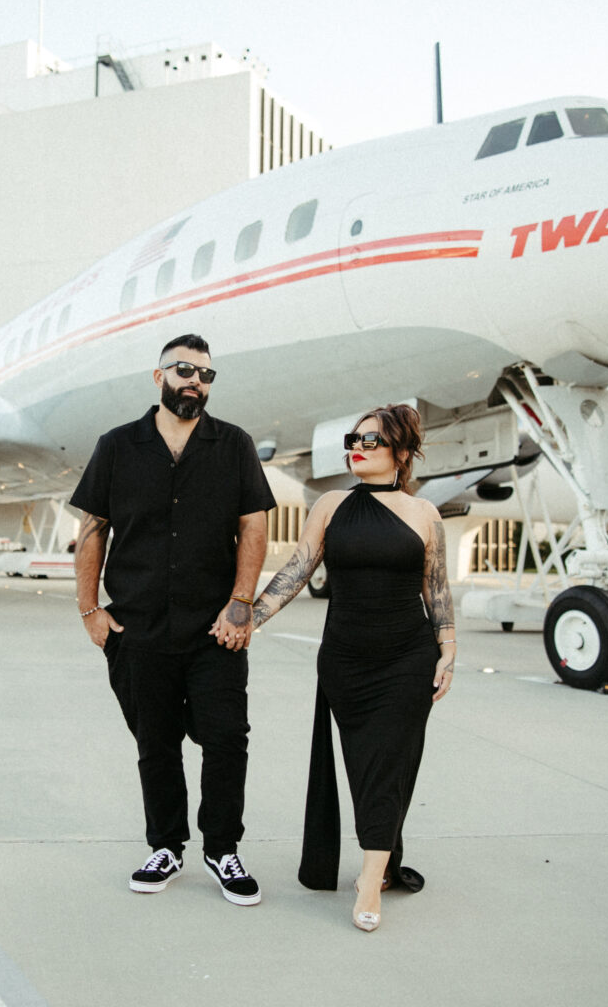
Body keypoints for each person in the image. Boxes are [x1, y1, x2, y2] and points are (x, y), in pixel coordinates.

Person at [70, 333, 276, 906]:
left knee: (227, 739)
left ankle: (221, 847)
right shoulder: (117, 446)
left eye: (206, 375)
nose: (196, 382)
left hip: (216, 629)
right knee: (155, 743)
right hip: (136, 628)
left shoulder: (233, 444)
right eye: (185, 370)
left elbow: (254, 526)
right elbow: (92, 529)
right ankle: (165, 845)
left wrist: (241, 603)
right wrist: (90, 610)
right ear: (157, 376)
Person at [251, 404, 455, 931]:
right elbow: (296, 570)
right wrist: (250, 619)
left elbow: (436, 588)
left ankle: (369, 880)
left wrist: (448, 647)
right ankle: (383, 860)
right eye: (354, 438)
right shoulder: (331, 505)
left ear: (402, 454)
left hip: (408, 657)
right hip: (345, 660)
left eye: (371, 441)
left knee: (389, 762)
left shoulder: (425, 514)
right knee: (364, 766)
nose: (357, 447)